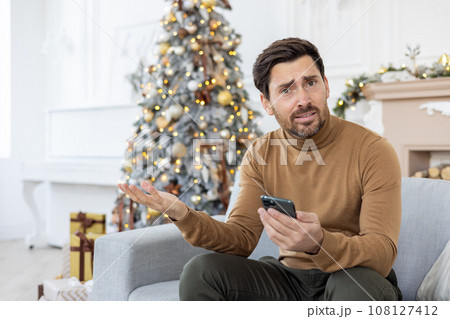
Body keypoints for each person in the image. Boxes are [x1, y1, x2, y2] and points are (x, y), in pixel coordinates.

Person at [118, 37, 402, 301]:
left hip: (355, 279)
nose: (303, 99)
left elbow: (382, 252)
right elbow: (241, 238)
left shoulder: (373, 150)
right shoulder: (260, 154)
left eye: (311, 83)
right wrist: (182, 214)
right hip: (288, 280)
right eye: (287, 90)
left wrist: (320, 243)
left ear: (326, 85)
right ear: (267, 103)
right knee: (201, 271)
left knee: (350, 286)